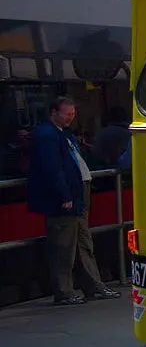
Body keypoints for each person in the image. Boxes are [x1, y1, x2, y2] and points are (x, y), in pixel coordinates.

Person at [27, 97, 121, 306]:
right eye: (66, 114)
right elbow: (52, 169)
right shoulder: (47, 135)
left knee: (82, 242)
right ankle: (65, 291)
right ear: (54, 113)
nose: (70, 118)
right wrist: (65, 195)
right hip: (64, 198)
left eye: (72, 114)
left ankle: (93, 286)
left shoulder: (62, 134)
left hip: (76, 194)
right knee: (63, 246)